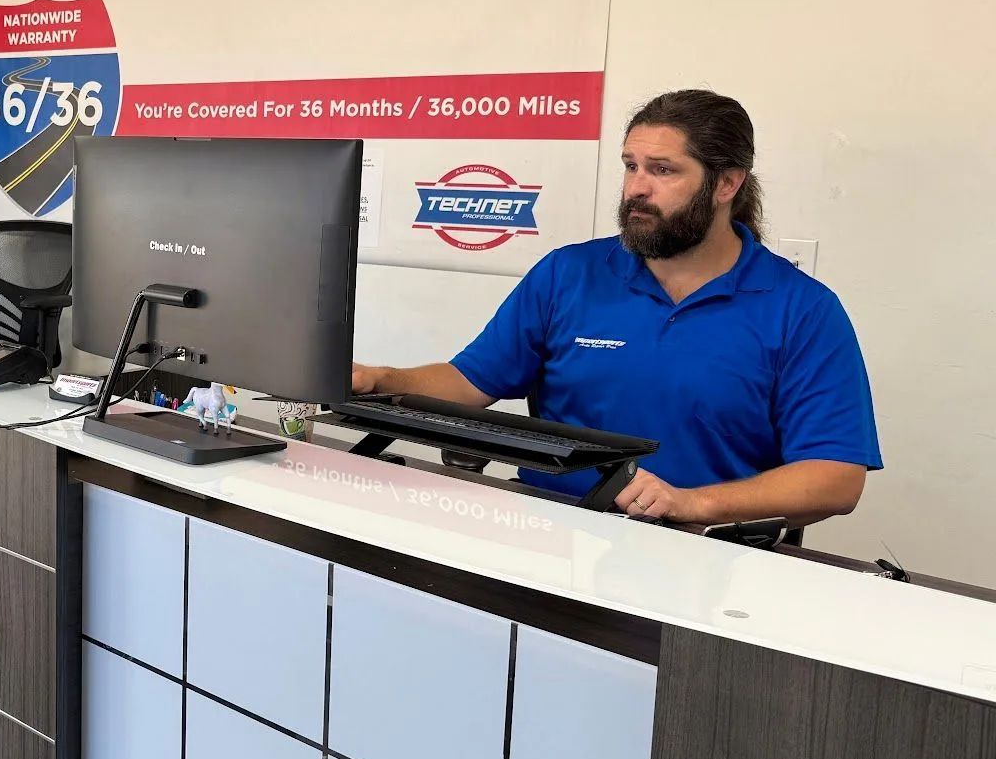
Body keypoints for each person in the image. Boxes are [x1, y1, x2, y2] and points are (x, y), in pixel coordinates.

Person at [351, 89, 880, 526]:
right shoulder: (570, 274)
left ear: (726, 183)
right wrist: (380, 378)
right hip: (553, 532)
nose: (636, 189)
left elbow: (835, 476)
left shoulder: (802, 310)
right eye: (631, 166)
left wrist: (694, 504)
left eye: (663, 170)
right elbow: (469, 383)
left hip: (704, 556)